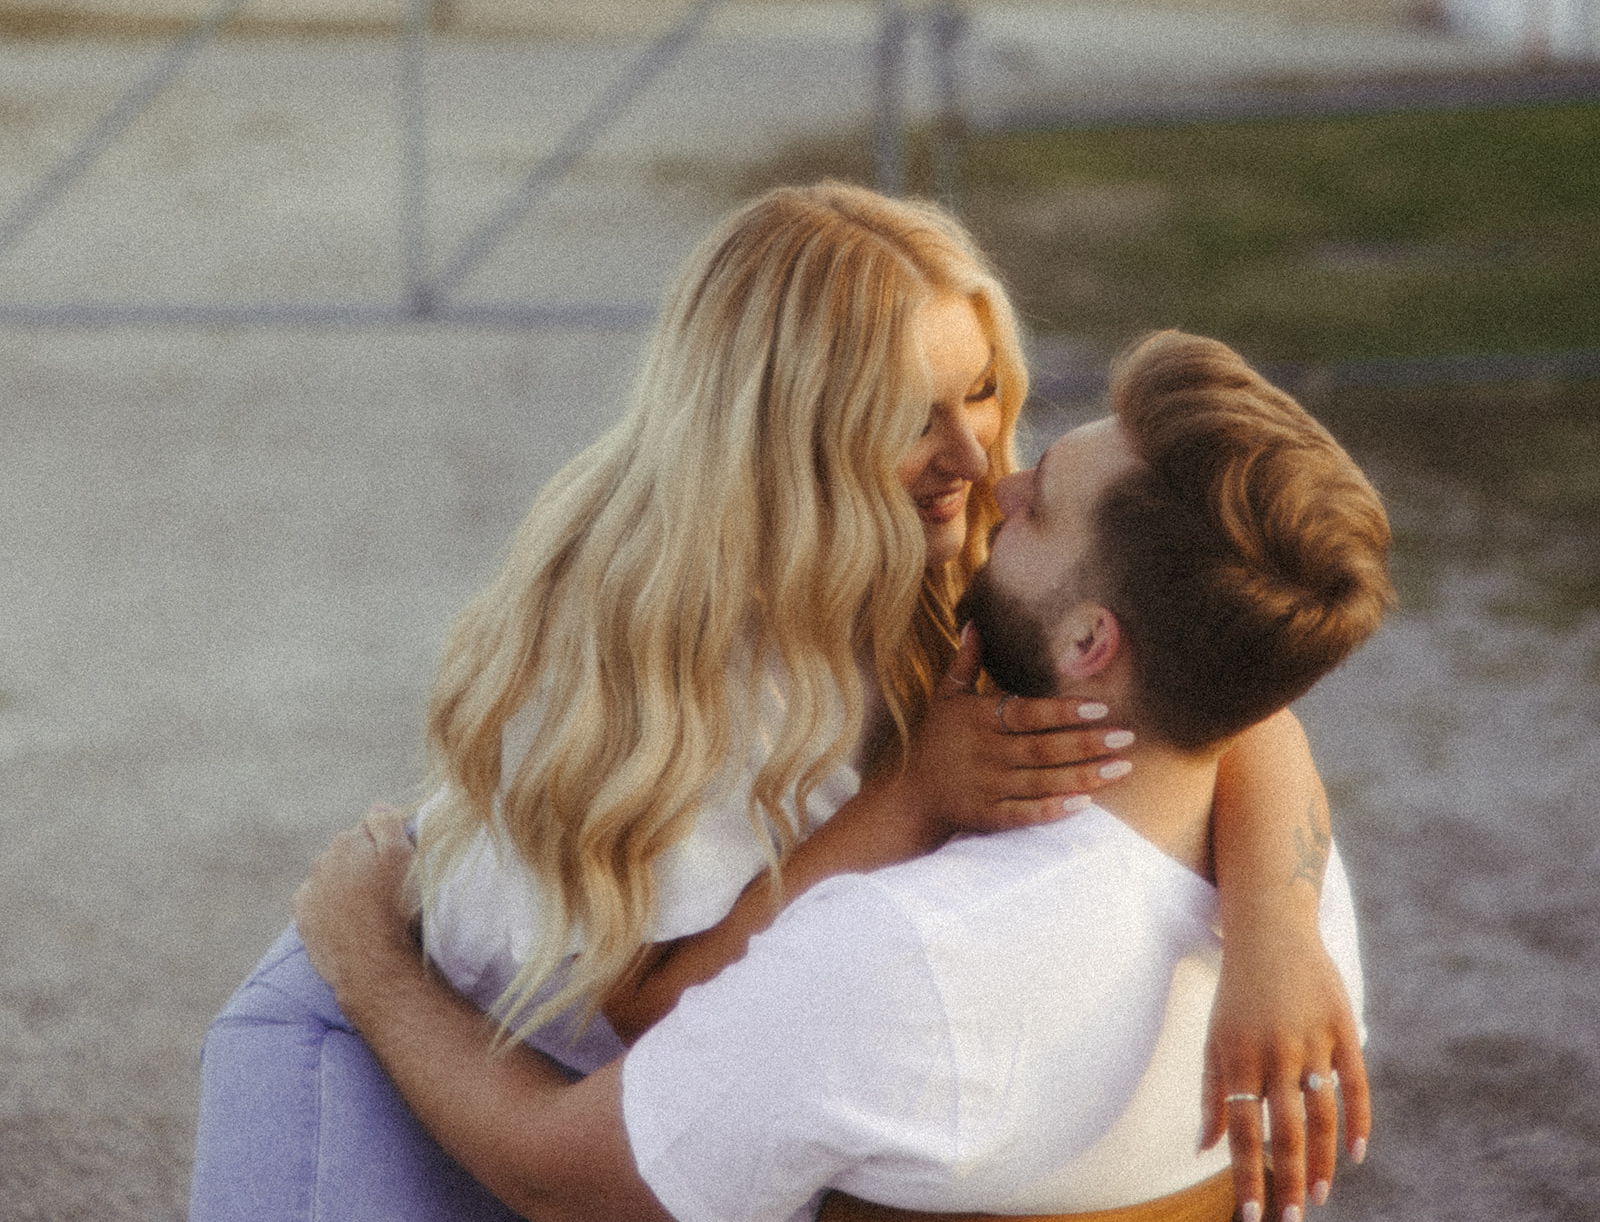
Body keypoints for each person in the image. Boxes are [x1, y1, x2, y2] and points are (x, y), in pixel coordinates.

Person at [192, 187, 1361, 1220]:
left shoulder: (965, 543)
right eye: (911, 417)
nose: (980, 459)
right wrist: (910, 798)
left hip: (613, 1126)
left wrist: (1273, 931)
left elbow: (1209, 681)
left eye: (983, 389)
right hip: (407, 1038)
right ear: (785, 437)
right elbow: (647, 1013)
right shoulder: (653, 642)